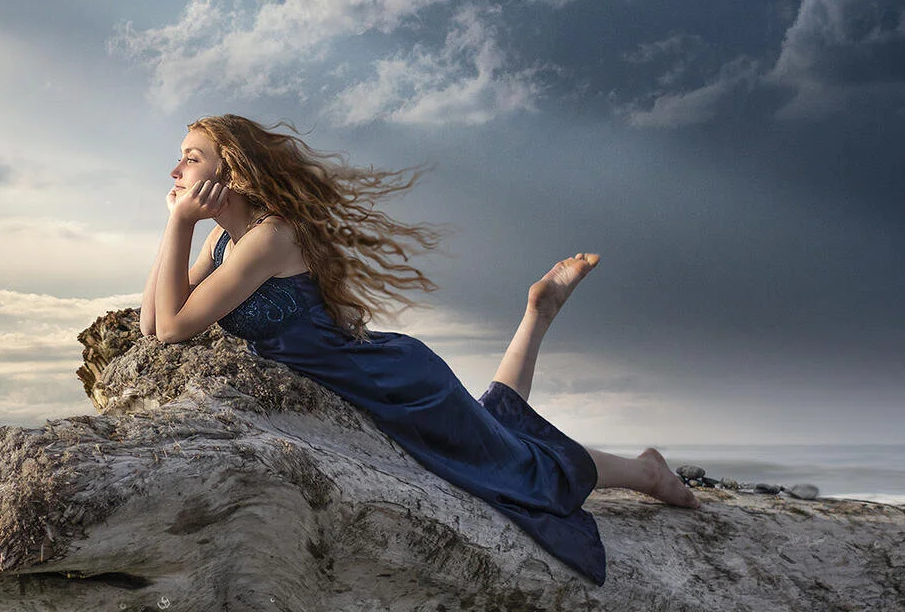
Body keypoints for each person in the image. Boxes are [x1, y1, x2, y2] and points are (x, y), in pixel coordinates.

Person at [140, 115, 697, 585]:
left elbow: (173, 329)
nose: (174, 171)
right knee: (497, 436)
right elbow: (152, 321)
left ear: (231, 169)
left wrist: (179, 220)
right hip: (373, 378)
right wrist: (177, 227)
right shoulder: (223, 242)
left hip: (393, 385)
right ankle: (538, 315)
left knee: (522, 468)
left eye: (190, 158)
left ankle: (646, 472)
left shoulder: (270, 237)